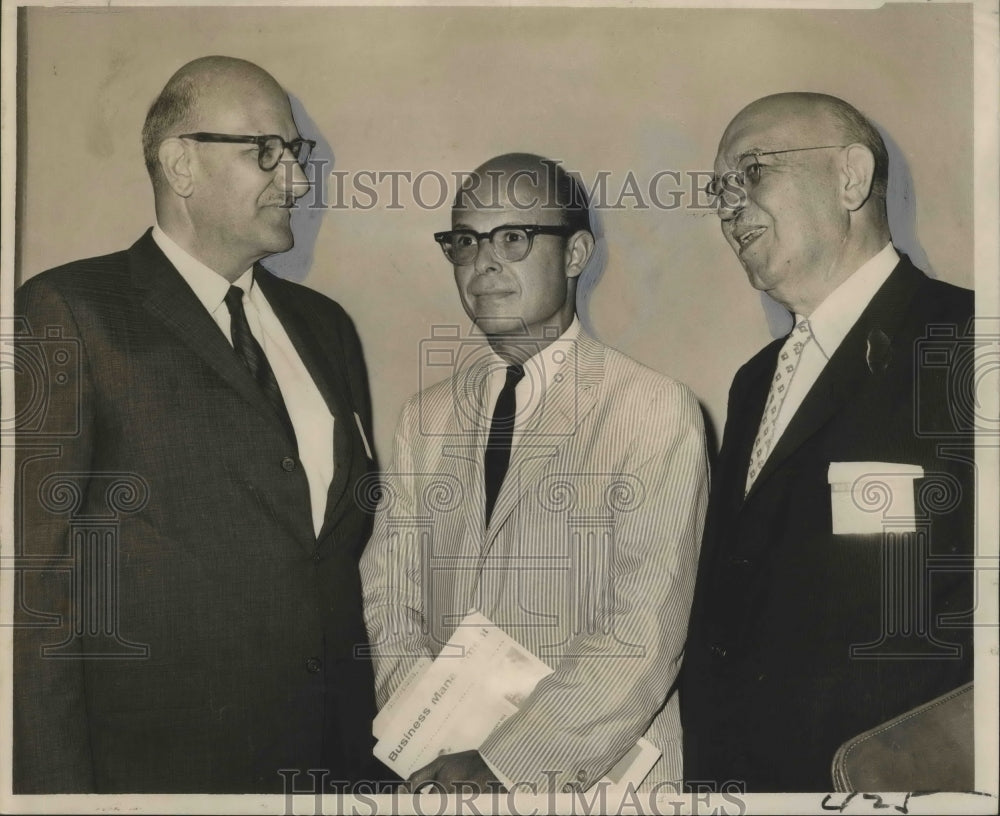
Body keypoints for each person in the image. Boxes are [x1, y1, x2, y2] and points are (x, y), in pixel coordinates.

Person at [13, 56, 379, 793]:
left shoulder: (327, 328)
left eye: (297, 153)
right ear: (181, 163)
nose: (298, 181)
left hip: (333, 766)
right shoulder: (69, 313)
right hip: (160, 777)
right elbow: (35, 589)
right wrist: (53, 798)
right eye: (266, 152)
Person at [359, 153, 708, 793]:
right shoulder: (426, 417)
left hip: (599, 780)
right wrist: (429, 734)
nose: (482, 263)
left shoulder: (652, 408)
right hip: (442, 773)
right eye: (464, 241)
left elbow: (644, 630)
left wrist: (504, 764)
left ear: (575, 254)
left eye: (513, 237)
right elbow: (388, 593)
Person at [681, 92, 975, 792]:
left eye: (751, 172)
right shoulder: (754, 381)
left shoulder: (968, 340)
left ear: (850, 176)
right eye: (719, 188)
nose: (728, 205)